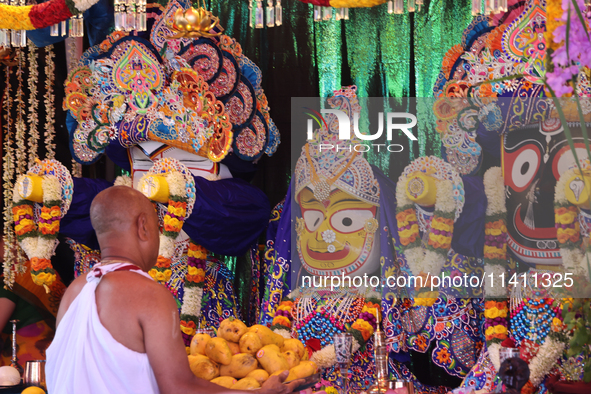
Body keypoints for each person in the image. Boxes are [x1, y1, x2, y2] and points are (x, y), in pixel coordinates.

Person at [46, 186, 301, 394]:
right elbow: (178, 387)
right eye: (160, 228)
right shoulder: (149, 294)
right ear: (143, 226)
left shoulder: (74, 292)